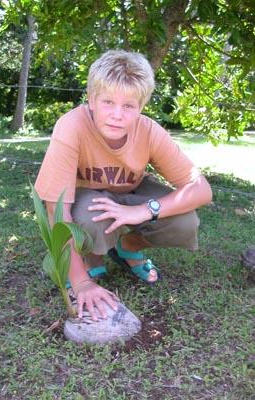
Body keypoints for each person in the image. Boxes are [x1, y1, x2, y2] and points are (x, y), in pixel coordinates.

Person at [35, 49, 212, 322]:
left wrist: (143, 211)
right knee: (91, 218)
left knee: (184, 222)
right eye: (108, 102)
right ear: (91, 100)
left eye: (129, 105)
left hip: (129, 191)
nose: (117, 115)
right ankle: (87, 263)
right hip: (86, 195)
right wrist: (80, 283)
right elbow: (55, 211)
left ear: (141, 106)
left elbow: (201, 189)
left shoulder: (149, 130)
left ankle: (127, 245)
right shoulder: (71, 126)